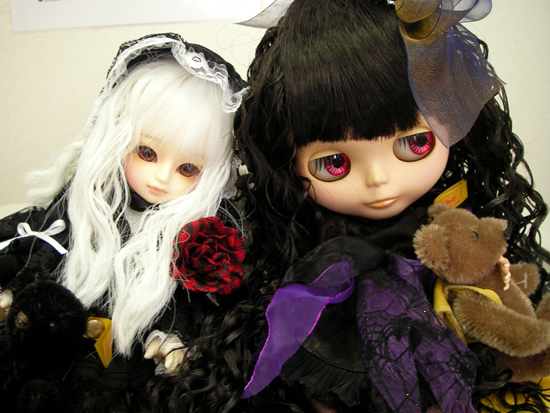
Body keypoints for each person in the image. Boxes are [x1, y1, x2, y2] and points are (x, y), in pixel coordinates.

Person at [147, 1, 550, 412]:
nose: (379, 179)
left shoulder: (453, 221)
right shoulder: (302, 249)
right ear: (287, 158)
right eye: (334, 163)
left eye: (415, 143)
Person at [0, 33, 247, 411]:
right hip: (64, 356)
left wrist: (172, 340)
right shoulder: (86, 204)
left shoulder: (198, 232)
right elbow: (39, 248)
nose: (161, 178)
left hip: (136, 374)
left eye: (188, 168)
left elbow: (196, 307)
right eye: (146, 152)